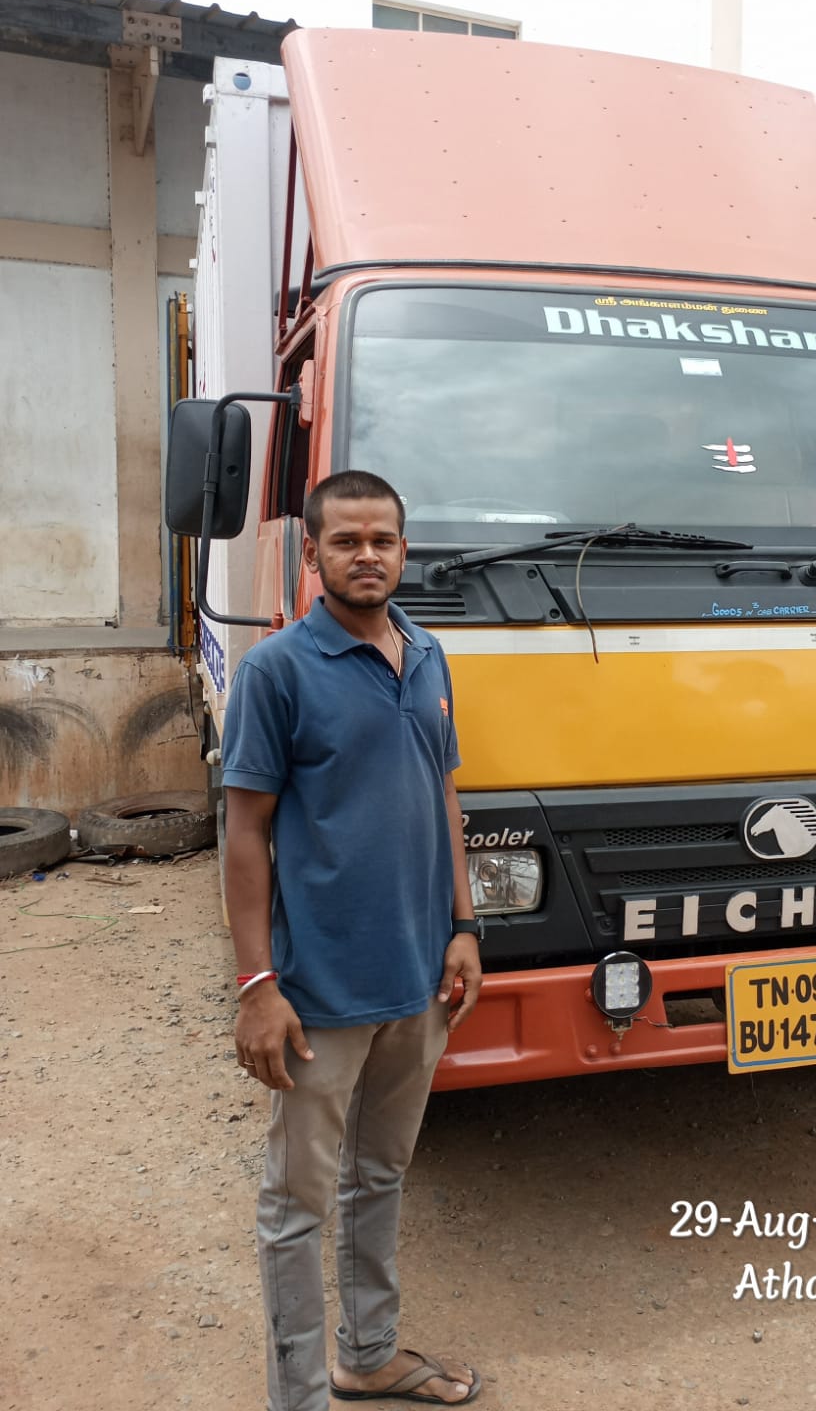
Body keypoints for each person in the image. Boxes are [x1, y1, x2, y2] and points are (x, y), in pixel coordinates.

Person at [221, 468, 483, 1409]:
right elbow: (244, 833)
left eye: (381, 540)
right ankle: (298, 1394)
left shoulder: (427, 653)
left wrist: (463, 926)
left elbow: (443, 793)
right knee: (296, 1204)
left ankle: (367, 1354)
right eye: (346, 541)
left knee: (381, 1175)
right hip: (319, 991)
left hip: (418, 979)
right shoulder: (277, 671)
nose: (366, 555)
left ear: (404, 551)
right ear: (314, 553)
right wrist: (258, 986)